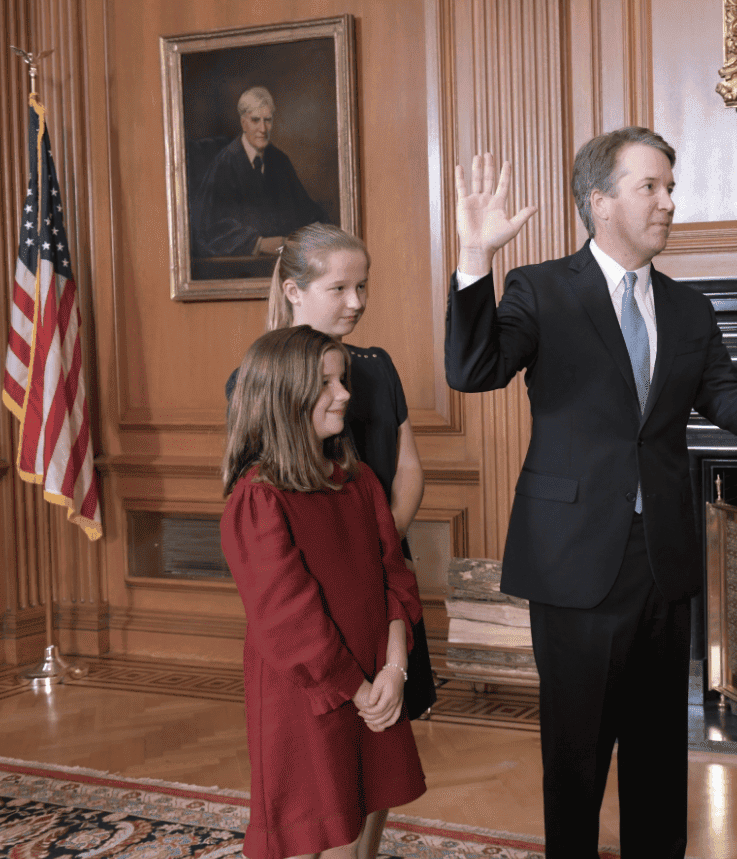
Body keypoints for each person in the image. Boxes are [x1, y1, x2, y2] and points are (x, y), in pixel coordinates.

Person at [443, 129, 737, 858]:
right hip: (573, 559)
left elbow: (724, 393)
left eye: (671, 187)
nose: (669, 202)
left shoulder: (688, 307)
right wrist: (475, 257)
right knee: (575, 757)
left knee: (659, 757)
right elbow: (473, 369)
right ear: (601, 201)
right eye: (651, 187)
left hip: (663, 557)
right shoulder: (541, 289)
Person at [221, 325, 426, 859]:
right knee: (311, 831)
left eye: (343, 380)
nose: (344, 394)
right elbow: (288, 618)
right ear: (283, 396)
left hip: (373, 678)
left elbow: (395, 578)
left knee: (353, 830)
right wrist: (357, 690)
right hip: (306, 693)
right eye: (327, 384)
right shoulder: (259, 498)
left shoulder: (360, 482)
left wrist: (394, 669)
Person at [225, 222, 434, 718]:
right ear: (293, 291)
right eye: (339, 288)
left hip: (385, 570)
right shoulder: (260, 376)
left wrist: (380, 546)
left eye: (362, 286)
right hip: (320, 584)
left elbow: (408, 467)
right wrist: (357, 559)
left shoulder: (378, 366)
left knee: (391, 721)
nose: (356, 302)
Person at [193, 86, 328, 257]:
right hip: (241, 263)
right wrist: (259, 243)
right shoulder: (225, 163)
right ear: (244, 123)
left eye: (268, 120)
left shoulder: (280, 161)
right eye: (255, 120)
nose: (263, 129)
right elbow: (210, 227)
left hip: (282, 257)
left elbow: (305, 211)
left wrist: (322, 233)